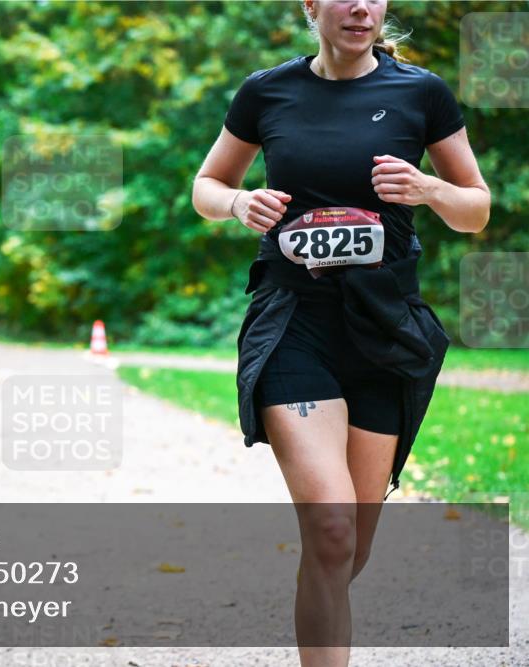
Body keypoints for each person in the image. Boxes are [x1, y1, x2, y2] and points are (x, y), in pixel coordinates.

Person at [191, 2, 490, 665]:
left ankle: (316, 605)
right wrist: (238, 202)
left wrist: (427, 189)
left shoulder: (420, 92)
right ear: (310, 6)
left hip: (384, 326)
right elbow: (206, 183)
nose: (361, 7)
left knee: (350, 545)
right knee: (330, 529)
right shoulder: (267, 91)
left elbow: (476, 207)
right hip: (295, 319)